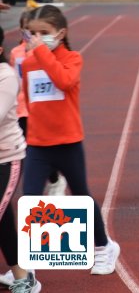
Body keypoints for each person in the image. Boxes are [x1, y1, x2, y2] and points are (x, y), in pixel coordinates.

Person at [20, 5, 120, 275]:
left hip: (68, 143)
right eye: (32, 33)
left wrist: (40, 51)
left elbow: (63, 81)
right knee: (29, 200)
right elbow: (30, 103)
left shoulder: (72, 59)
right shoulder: (28, 64)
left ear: (61, 33)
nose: (38, 38)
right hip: (38, 145)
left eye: (44, 33)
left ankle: (104, 247)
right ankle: (27, 271)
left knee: (81, 197)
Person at [0, 26, 42, 292]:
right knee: (3, 221)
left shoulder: (5, 76)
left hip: (7, 158)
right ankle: (21, 274)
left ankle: (26, 279)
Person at [10, 4, 67, 196]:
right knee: (29, 149)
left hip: (42, 109)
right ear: (22, 31)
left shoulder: (47, 53)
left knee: (45, 148)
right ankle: (46, 181)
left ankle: (54, 178)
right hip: (22, 109)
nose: (33, 36)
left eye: (37, 32)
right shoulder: (16, 53)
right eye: (28, 31)